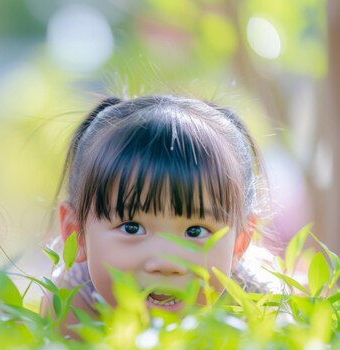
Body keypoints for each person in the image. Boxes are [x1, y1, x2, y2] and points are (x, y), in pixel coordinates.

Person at [43, 94, 282, 331]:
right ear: (76, 233)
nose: (166, 262)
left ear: (240, 243)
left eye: (195, 231)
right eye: (132, 227)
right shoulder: (74, 295)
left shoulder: (256, 303)